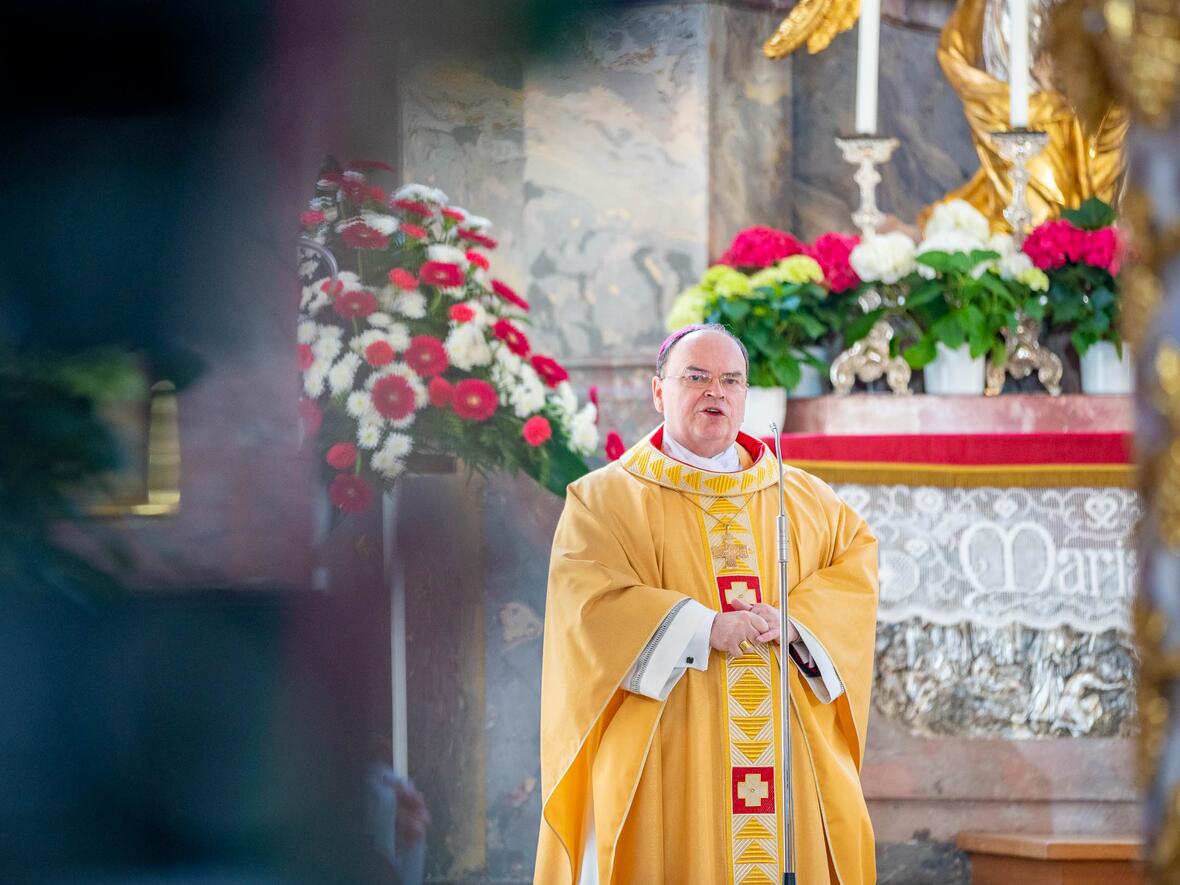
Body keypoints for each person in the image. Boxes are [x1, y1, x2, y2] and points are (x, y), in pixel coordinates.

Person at [534, 324, 879, 884]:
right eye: (696, 377)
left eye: (731, 380)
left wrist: (797, 626)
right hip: (667, 757)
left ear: (746, 397)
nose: (715, 391)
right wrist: (700, 628)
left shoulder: (806, 499)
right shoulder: (605, 500)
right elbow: (589, 606)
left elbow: (855, 570)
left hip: (787, 759)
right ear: (659, 391)